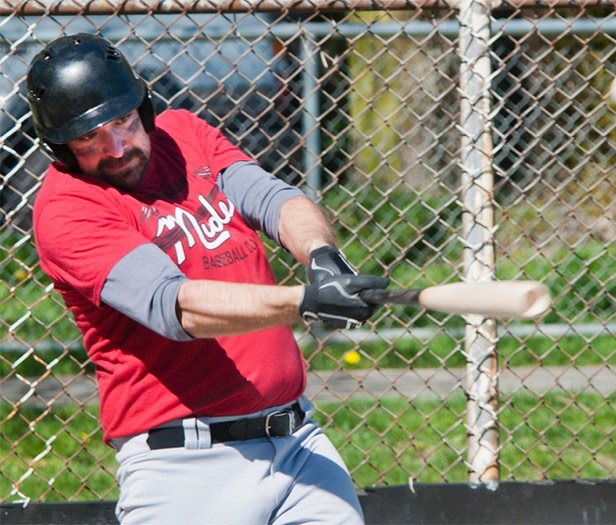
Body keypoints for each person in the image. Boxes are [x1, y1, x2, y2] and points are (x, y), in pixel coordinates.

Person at [27, 33, 388, 524]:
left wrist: (322, 256)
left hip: (299, 444)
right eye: (88, 138)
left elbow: (272, 198)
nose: (115, 147)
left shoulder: (182, 133)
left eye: (122, 122)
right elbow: (177, 308)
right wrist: (305, 300)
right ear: (60, 149)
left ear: (144, 109)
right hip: (185, 469)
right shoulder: (68, 209)